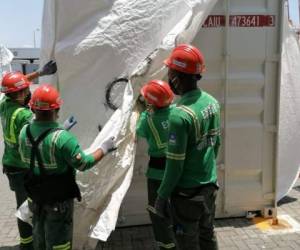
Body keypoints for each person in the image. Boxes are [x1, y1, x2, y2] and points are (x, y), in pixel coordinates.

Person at [18, 84, 115, 250]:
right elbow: (84, 163)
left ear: (33, 109)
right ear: (57, 110)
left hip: (36, 197)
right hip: (58, 200)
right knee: (59, 244)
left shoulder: (24, 131)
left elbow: (33, 152)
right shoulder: (63, 139)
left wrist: (58, 130)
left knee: (40, 238)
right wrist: (104, 149)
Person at [154, 44, 221, 250]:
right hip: (209, 186)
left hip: (187, 195)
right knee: (207, 235)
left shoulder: (179, 115)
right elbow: (215, 145)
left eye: (170, 72)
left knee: (187, 242)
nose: (168, 77)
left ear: (177, 76)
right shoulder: (212, 102)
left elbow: (175, 166)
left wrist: (161, 196)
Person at [0, 61, 57, 250]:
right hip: (23, 168)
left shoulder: (5, 104)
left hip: (10, 165)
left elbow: (17, 83)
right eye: (25, 91)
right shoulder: (24, 115)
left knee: (21, 205)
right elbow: (42, 129)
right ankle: (28, 245)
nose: (28, 92)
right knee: (26, 209)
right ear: (20, 94)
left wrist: (39, 72)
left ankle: (27, 243)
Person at [136, 80, 177, 250]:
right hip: (178, 172)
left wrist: (141, 110)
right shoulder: (178, 113)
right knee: (177, 211)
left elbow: (138, 130)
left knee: (158, 213)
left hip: (157, 175)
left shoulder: (148, 119)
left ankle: (167, 246)